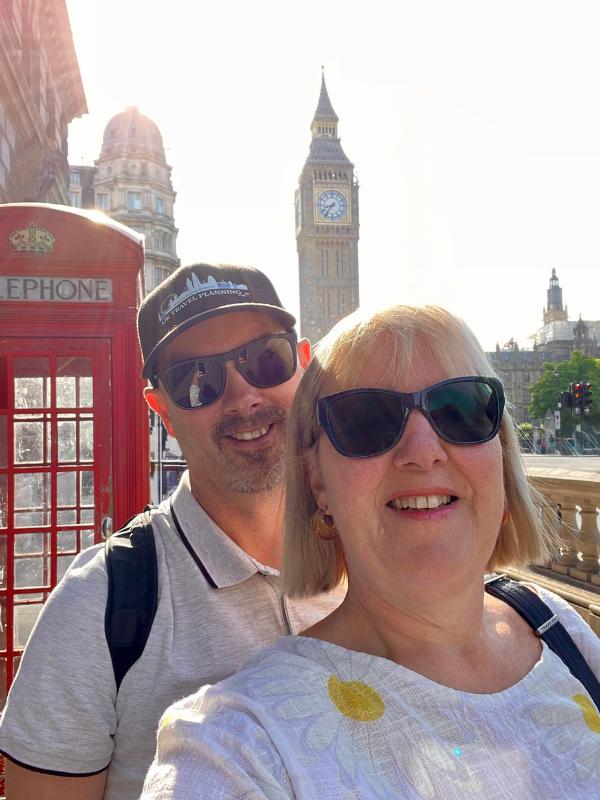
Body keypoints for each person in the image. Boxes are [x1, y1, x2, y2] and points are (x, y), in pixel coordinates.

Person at [142, 304, 600, 799]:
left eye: (461, 410)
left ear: (502, 456)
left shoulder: (558, 627)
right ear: (317, 482)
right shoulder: (239, 747)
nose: (423, 450)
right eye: (366, 419)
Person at [0, 263, 343, 800]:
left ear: (303, 366)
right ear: (160, 407)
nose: (243, 396)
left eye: (265, 359)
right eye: (195, 380)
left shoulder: (373, 556)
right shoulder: (99, 605)